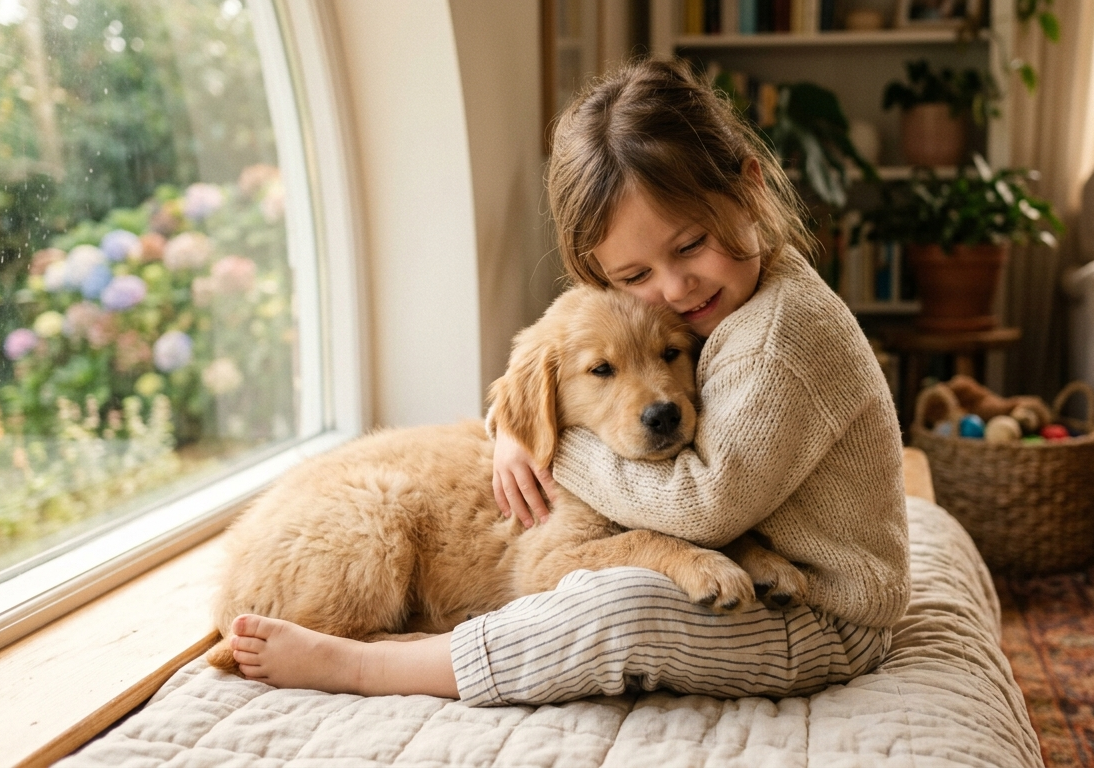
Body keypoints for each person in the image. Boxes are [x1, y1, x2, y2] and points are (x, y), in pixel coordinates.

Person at [226, 58, 910, 703]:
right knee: (604, 596)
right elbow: (550, 552)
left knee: (624, 608)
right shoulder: (712, 304)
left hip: (833, 616)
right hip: (337, 535)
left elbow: (706, 505)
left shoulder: (778, 336)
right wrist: (518, 429)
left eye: (690, 244)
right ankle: (354, 658)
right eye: (637, 277)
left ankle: (382, 657)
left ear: (751, 188)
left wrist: (561, 445)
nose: (672, 288)